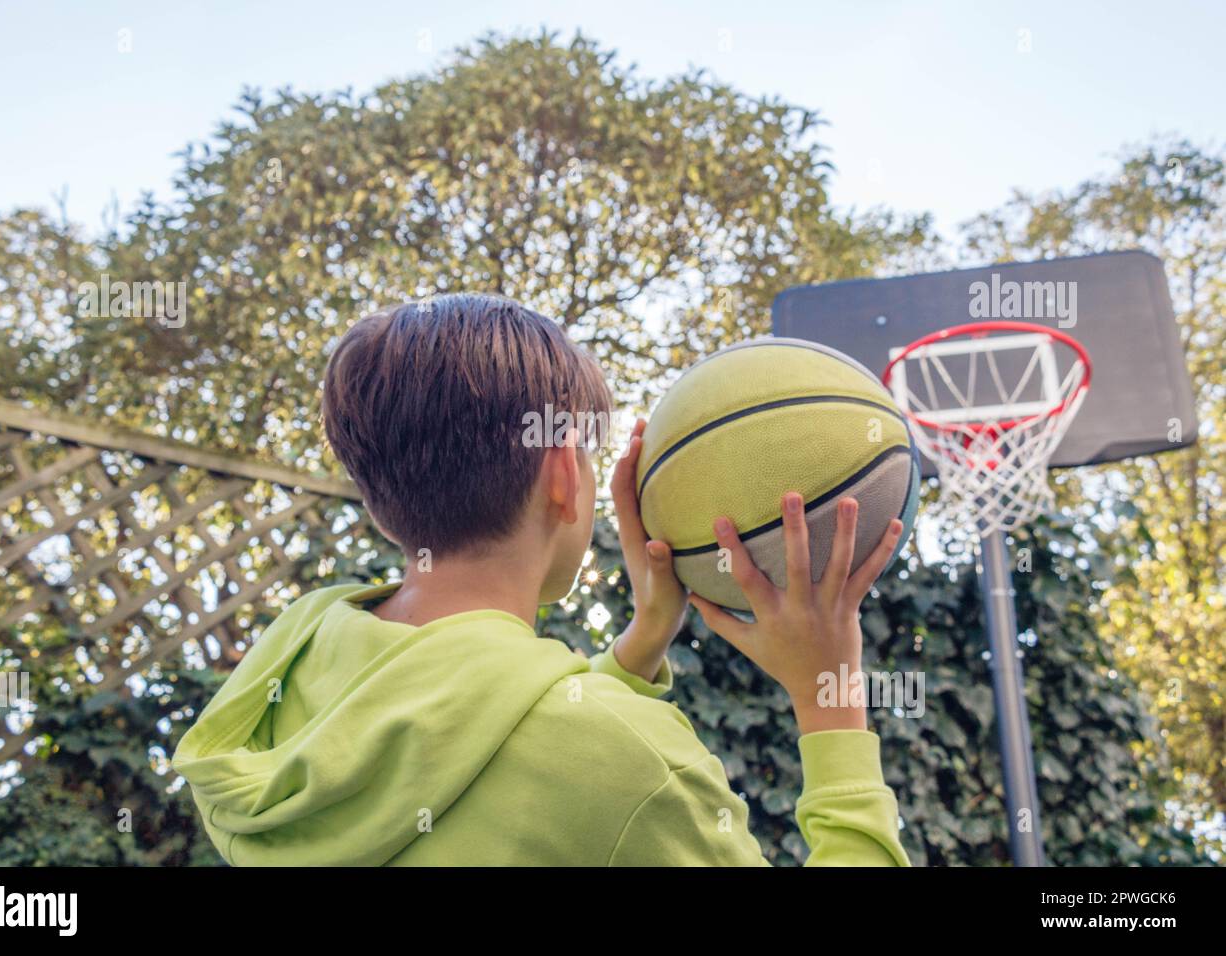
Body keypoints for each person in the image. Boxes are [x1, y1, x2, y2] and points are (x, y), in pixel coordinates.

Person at [174, 294, 910, 866]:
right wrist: (831, 704)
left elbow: (477, 734)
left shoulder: (294, 662)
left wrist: (640, 646)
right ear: (564, 474)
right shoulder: (634, 761)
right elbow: (558, 749)